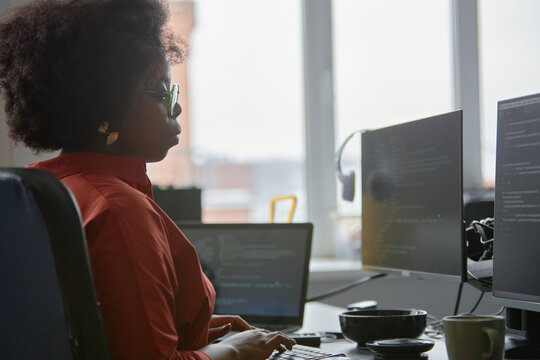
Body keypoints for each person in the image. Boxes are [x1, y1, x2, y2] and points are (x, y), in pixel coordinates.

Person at [0, 0, 295, 359]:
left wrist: (185, 324)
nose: (176, 107)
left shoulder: (37, 192)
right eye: (162, 91)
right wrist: (235, 351)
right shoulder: (118, 209)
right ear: (109, 109)